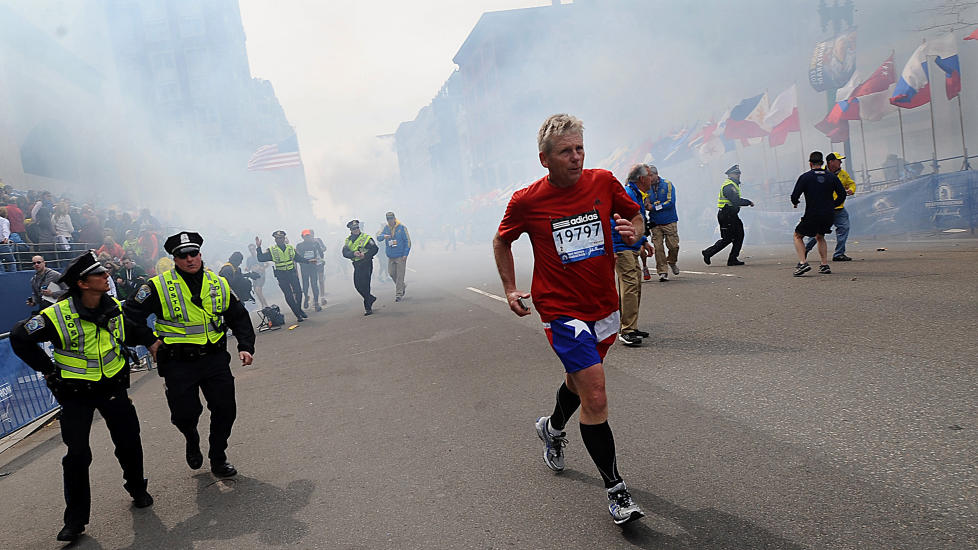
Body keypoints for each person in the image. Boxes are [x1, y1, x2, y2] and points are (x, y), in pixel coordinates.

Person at [492, 113, 645, 525]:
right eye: (566, 152)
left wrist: (635, 232)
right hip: (561, 310)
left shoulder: (604, 181)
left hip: (603, 306)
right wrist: (510, 288)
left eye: (580, 149)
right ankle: (617, 492)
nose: (576, 158)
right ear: (545, 159)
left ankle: (552, 427)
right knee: (595, 394)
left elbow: (635, 216)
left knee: (578, 383)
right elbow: (502, 240)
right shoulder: (527, 201)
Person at [9, 251, 154, 542]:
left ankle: (137, 488)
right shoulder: (55, 315)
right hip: (75, 393)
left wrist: (152, 341)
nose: (106, 276)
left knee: (128, 441)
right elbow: (19, 336)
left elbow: (128, 331)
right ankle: (75, 520)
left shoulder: (111, 305)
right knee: (77, 455)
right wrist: (48, 370)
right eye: (99, 274)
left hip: (112, 386)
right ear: (83, 283)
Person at [123, 231, 256, 478]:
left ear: (200, 254)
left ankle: (218, 457)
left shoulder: (217, 282)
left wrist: (245, 345)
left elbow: (237, 315)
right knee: (185, 415)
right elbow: (129, 316)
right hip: (178, 362)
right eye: (182, 255)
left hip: (215, 358)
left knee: (226, 410)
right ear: (174, 259)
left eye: (193, 253)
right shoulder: (156, 286)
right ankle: (191, 437)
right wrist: (150, 341)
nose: (189, 259)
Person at [612, 164, 652, 347]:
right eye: (650, 176)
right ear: (642, 179)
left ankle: (631, 327)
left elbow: (634, 222)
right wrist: (613, 248)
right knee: (629, 287)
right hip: (622, 248)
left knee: (635, 285)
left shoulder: (637, 194)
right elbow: (614, 220)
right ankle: (627, 330)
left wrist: (643, 240)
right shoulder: (628, 193)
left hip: (632, 247)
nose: (653, 179)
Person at [790, 152, 847, 276]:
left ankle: (803, 262)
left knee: (798, 235)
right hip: (828, 214)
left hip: (812, 213)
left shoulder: (805, 177)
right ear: (822, 163)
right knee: (820, 236)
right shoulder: (832, 177)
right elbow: (842, 194)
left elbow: (795, 195)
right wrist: (833, 205)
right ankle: (824, 264)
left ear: (810, 163)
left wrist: (795, 202)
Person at [804, 152, 855, 261]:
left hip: (838, 208)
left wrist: (851, 189)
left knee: (844, 228)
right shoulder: (820, 174)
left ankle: (839, 253)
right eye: (839, 160)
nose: (841, 162)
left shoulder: (843, 174)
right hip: (824, 208)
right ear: (831, 162)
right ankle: (804, 251)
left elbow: (851, 183)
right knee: (816, 232)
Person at [702, 165, 754, 266]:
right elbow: (735, 201)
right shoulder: (729, 186)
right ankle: (709, 252)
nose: (738, 175)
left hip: (731, 215)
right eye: (736, 173)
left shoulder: (733, 185)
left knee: (739, 235)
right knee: (728, 238)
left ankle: (732, 258)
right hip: (727, 216)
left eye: (739, 173)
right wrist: (748, 202)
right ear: (730, 175)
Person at [254, 230, 310, 322]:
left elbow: (297, 257)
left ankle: (299, 309)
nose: (279, 240)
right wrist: (258, 247)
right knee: (288, 295)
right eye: (277, 238)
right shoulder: (272, 250)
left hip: (292, 273)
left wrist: (308, 261)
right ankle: (297, 314)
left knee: (299, 292)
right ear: (275, 240)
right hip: (282, 275)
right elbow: (261, 258)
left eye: (281, 238)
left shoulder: (290, 248)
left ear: (284, 239)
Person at [645, 165, 680, 281]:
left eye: (651, 175)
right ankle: (662, 272)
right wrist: (645, 205)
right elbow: (644, 203)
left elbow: (670, 202)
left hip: (669, 221)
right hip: (655, 223)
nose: (649, 178)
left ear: (656, 174)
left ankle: (672, 261)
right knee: (658, 248)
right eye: (647, 176)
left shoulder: (668, 184)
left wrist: (654, 207)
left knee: (673, 246)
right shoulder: (646, 187)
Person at [341, 220, 378, 315]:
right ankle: (370, 298)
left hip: (366, 263)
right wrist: (353, 253)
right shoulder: (348, 240)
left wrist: (365, 255)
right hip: (357, 265)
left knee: (365, 285)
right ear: (350, 230)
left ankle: (368, 307)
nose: (356, 230)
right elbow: (344, 253)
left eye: (357, 227)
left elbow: (375, 249)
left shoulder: (366, 238)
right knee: (357, 285)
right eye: (354, 228)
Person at [376, 211, 412, 301]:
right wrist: (384, 236)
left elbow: (407, 242)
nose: (390, 220)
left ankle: (398, 294)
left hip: (400, 255)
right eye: (388, 219)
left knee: (400, 275)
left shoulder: (402, 228)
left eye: (391, 218)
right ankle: (402, 286)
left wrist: (405, 254)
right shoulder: (386, 228)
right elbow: (378, 237)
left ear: (394, 218)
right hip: (390, 255)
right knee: (392, 273)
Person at [295, 229, 325, 311]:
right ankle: (306, 296)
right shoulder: (299, 246)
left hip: (313, 267)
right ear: (302, 237)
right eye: (306, 236)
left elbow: (321, 254)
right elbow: (296, 257)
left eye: (309, 235)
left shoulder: (315, 244)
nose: (307, 237)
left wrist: (319, 259)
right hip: (304, 268)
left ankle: (316, 303)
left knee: (314, 284)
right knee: (305, 285)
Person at [245, 243, 269, 308]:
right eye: (250, 249)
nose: (252, 250)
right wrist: (247, 269)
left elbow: (267, 264)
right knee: (257, 291)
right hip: (254, 277)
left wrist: (262, 268)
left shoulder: (260, 256)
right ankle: (263, 304)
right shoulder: (249, 259)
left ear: (255, 249)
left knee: (258, 290)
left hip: (261, 275)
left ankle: (265, 305)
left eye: (253, 249)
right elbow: (248, 268)